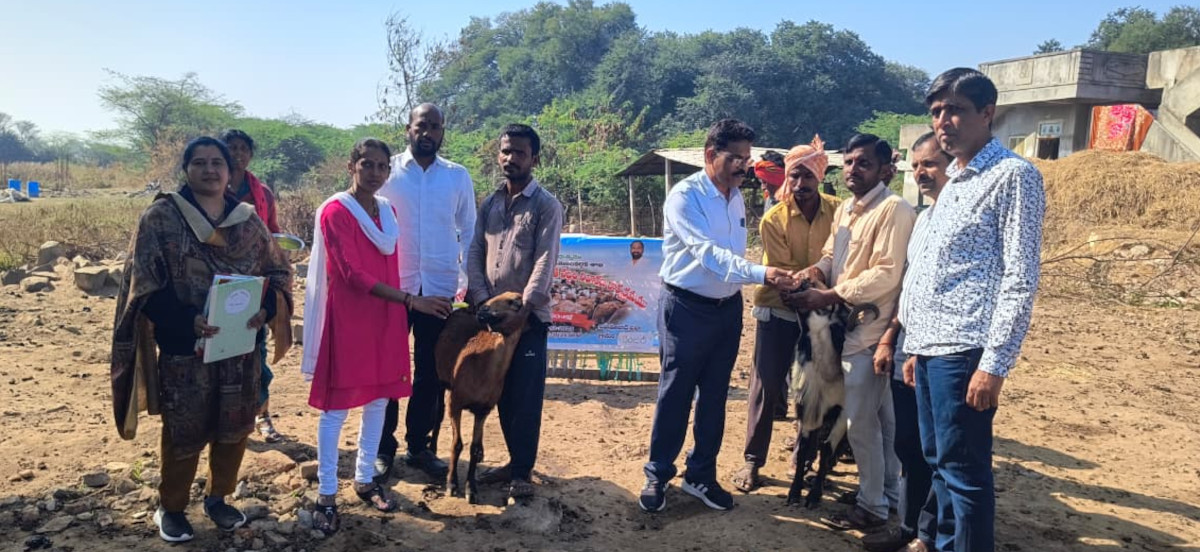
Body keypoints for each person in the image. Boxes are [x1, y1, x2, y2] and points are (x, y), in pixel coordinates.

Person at [111, 137, 293, 543]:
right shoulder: (161, 218)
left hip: (239, 347)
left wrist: (266, 309)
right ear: (186, 169)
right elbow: (144, 285)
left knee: (236, 425)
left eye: (217, 163)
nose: (210, 170)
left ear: (230, 171)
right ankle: (172, 507)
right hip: (185, 346)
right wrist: (186, 321)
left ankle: (218, 497)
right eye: (200, 162)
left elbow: (277, 272)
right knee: (184, 428)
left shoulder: (248, 221)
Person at [900, 68, 1045, 552]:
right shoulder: (957, 179)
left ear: (987, 113)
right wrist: (916, 346)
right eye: (936, 111)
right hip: (931, 347)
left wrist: (994, 364)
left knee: (964, 473)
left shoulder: (1013, 177)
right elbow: (937, 270)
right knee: (938, 462)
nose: (944, 120)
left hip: (966, 349)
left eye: (956, 109)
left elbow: (1019, 277)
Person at [638, 119, 798, 514]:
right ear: (711, 154)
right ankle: (658, 473)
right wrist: (763, 273)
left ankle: (700, 475)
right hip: (685, 309)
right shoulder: (685, 197)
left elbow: (729, 257)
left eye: (747, 157)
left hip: (727, 311)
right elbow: (708, 255)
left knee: (714, 396)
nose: (745, 165)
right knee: (676, 394)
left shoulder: (736, 197)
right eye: (736, 158)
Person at [791, 133, 916, 531]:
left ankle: (872, 506)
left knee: (861, 423)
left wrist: (829, 294)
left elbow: (886, 274)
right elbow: (832, 255)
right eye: (848, 162)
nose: (853, 170)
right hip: (846, 328)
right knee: (880, 420)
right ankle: (885, 495)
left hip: (871, 331)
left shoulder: (895, 209)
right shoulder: (846, 209)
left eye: (863, 163)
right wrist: (814, 271)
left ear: (884, 169)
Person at [302, 138, 413, 534]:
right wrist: (408, 300)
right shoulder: (337, 211)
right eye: (367, 164)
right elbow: (350, 273)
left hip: (385, 316)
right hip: (349, 318)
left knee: (379, 401)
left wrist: (400, 303)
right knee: (336, 408)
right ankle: (327, 493)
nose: (375, 173)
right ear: (352, 166)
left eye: (382, 166)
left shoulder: (388, 211)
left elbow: (390, 264)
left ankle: (365, 479)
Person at [731, 135, 840, 493]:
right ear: (786, 177)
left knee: (814, 386)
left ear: (820, 177)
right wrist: (814, 283)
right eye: (794, 176)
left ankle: (802, 454)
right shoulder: (773, 219)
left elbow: (841, 258)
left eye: (807, 176)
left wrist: (819, 292)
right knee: (766, 386)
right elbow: (783, 273)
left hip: (822, 307)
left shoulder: (839, 212)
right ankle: (753, 460)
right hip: (779, 308)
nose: (800, 183)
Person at [375, 103, 476, 483]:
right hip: (393, 289)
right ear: (408, 129)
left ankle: (420, 447)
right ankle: (382, 447)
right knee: (388, 369)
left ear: (442, 132)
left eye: (435, 126)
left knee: (431, 373)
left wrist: (470, 281)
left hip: (439, 287)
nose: (428, 133)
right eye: (422, 125)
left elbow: (470, 230)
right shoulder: (386, 173)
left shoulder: (456, 176)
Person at [863, 131, 952, 552]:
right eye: (915, 166)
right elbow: (909, 287)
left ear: (955, 164)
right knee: (908, 444)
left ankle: (930, 536)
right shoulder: (923, 219)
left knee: (939, 451)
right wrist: (890, 337)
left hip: (943, 349)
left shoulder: (961, 218)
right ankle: (910, 528)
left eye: (930, 164)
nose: (921, 173)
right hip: (908, 346)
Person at [466, 124, 563, 500]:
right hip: (492, 318)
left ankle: (522, 471)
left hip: (528, 321)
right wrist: (481, 300)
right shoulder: (489, 204)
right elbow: (476, 251)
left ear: (534, 159)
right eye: (506, 151)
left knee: (525, 394)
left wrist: (524, 309)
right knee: (501, 392)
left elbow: (545, 260)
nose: (511, 158)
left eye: (520, 152)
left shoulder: (546, 206)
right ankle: (512, 462)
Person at [220, 129, 286, 444]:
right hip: (213, 284)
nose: (237, 154)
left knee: (255, 351)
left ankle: (262, 416)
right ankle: (223, 421)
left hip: (253, 284)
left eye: (243, 149)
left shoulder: (263, 194)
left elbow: (271, 233)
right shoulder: (210, 188)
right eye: (231, 148)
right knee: (217, 352)